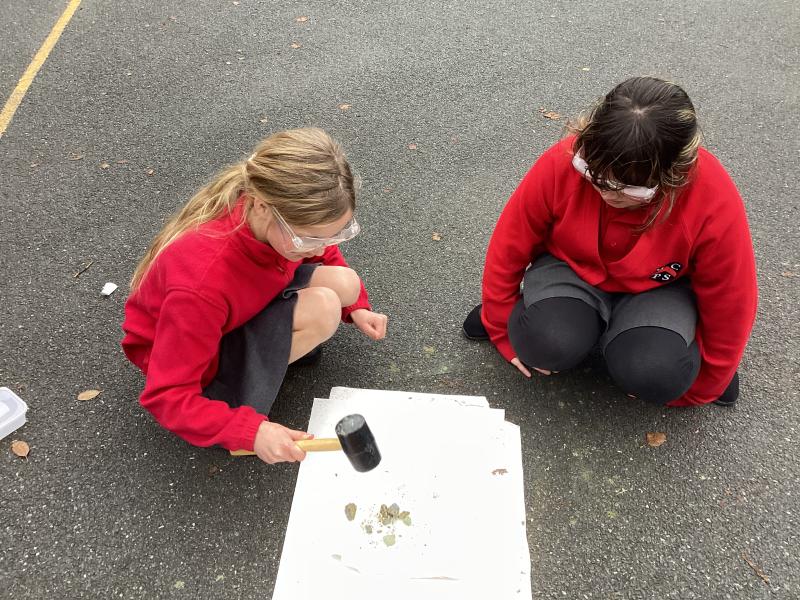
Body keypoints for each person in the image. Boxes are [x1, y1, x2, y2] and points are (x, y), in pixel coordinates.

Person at [463, 77, 757, 407]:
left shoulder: (712, 197)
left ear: (675, 173)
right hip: (569, 269)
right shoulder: (564, 159)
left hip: (662, 289)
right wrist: (499, 322)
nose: (606, 192)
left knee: (657, 375)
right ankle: (551, 319)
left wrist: (711, 378)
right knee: (542, 343)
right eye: (592, 174)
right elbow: (510, 244)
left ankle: (654, 346)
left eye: (628, 189)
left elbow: (731, 297)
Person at [122, 128, 388, 463]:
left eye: (335, 235)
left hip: (234, 306)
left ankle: (270, 352)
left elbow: (321, 248)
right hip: (193, 356)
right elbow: (167, 396)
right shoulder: (201, 285)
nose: (321, 250)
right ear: (262, 207)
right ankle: (230, 394)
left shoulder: (270, 218)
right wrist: (250, 431)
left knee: (344, 285)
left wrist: (357, 307)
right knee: (323, 308)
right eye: (309, 239)